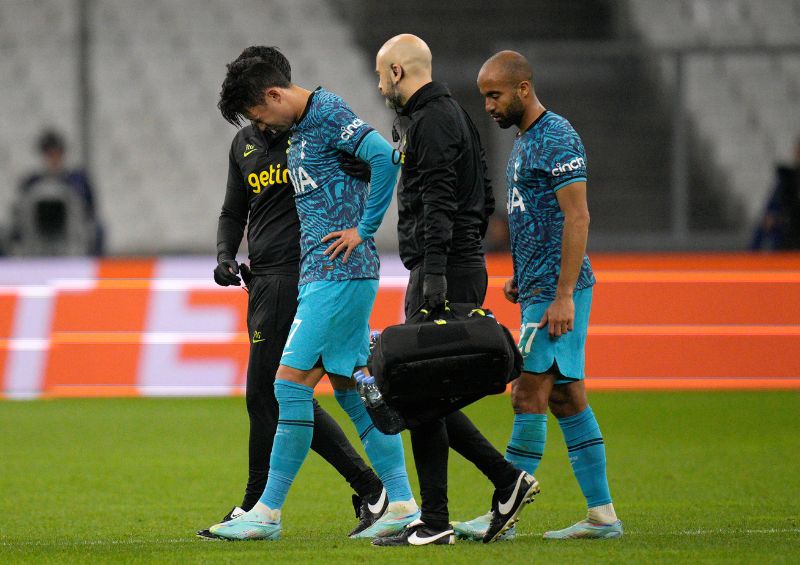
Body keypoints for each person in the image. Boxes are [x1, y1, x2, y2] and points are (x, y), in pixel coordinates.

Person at [207, 49, 418, 541]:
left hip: (337, 274)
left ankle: (267, 512)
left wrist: (363, 230)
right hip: (325, 275)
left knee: (286, 385)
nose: (261, 125)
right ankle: (401, 501)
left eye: (259, 114)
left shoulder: (326, 113)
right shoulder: (301, 127)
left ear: (273, 95)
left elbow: (387, 158)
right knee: (351, 390)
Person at [370, 35, 539, 547]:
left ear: (398, 72)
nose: (380, 87)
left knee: (419, 392)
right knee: (429, 395)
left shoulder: (431, 120)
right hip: (454, 265)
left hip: (443, 271)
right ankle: (497, 487)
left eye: (382, 76)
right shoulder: (453, 116)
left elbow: (440, 201)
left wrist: (436, 272)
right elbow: (484, 195)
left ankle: (440, 519)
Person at [455, 50, 623, 540]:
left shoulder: (558, 137)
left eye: (494, 95)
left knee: (526, 395)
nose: (487, 105)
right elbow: (538, 218)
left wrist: (563, 294)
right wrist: (522, 277)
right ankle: (602, 516)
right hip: (539, 288)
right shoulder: (527, 140)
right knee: (567, 400)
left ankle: (501, 515)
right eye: (484, 95)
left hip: (557, 295)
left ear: (523, 89)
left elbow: (578, 217)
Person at [13, 129, 105, 255]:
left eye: (57, 154)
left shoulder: (77, 179)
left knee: (99, 230)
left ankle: (91, 269)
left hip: (72, 232)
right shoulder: (32, 182)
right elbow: (20, 211)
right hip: (37, 234)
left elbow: (90, 208)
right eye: (50, 155)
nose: (53, 159)